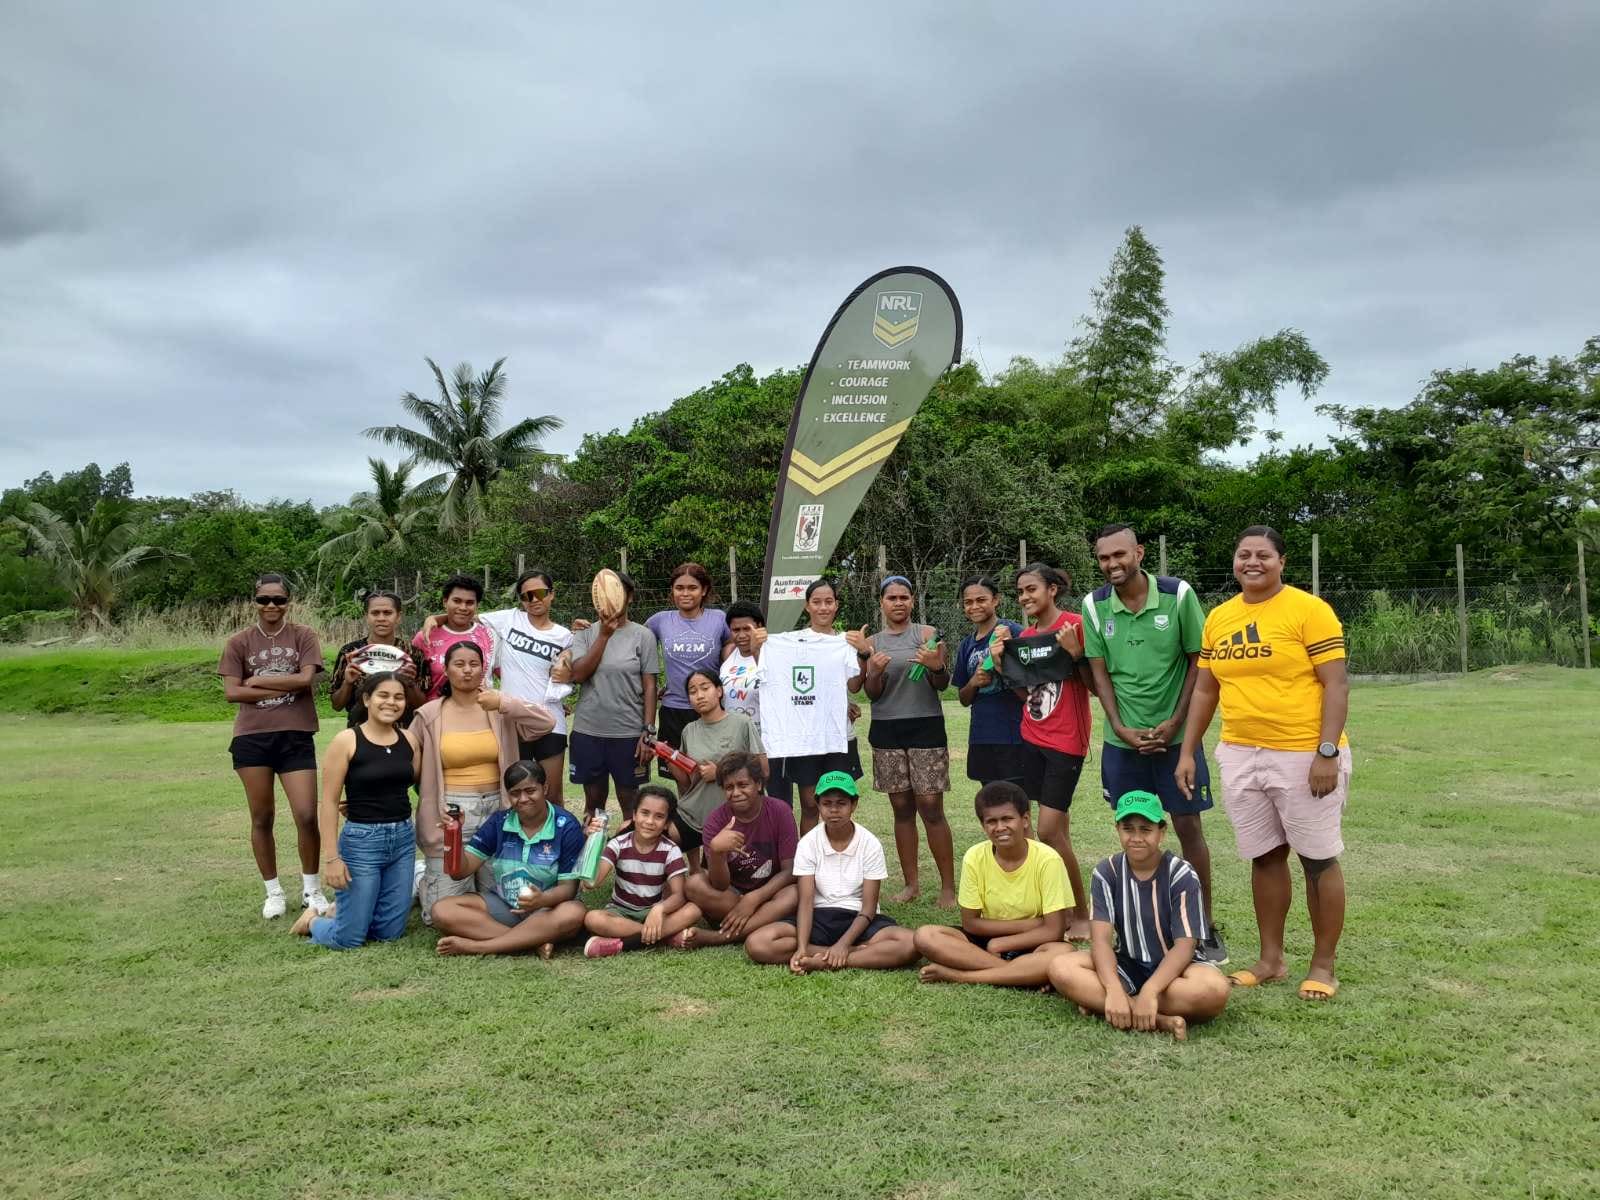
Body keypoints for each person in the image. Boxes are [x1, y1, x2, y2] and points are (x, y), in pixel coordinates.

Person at [1176, 526, 1352, 1002]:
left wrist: (1327, 752)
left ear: (1281, 562)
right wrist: (1188, 750)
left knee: (1317, 859)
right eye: (1243, 555)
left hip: (1302, 753)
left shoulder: (1308, 611)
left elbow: (1335, 685)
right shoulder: (1220, 617)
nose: (1252, 563)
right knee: (1265, 855)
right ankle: (1271, 959)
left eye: (1263, 555)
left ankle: (1322, 965)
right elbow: (1207, 689)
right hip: (1241, 752)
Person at [1081, 525, 1227, 966]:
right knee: (1134, 830)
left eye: (1120, 555)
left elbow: (1196, 662)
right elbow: (1099, 672)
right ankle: (1135, 927)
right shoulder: (1093, 604)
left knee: (1187, 829)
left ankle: (1201, 927)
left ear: (1139, 553)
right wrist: (1120, 725)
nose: (1112, 564)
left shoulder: (1178, 595)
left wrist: (1176, 721)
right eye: (1104, 558)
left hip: (1176, 738)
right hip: (1122, 742)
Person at [1046, 791, 1231, 1041]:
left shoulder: (1181, 874)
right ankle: (1155, 1018)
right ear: (1118, 830)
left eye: (1145, 829)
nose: (1136, 838)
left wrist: (1152, 990)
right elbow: (1100, 941)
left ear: (1161, 832)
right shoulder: (1107, 871)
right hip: (1127, 964)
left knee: (1214, 990)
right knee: (1061, 967)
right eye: (1128, 829)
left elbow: (1185, 947)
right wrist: (1112, 987)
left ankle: (1115, 1004)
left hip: (1177, 969)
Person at [412, 640, 556, 923]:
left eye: (474, 664)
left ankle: (461, 880)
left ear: (483, 669)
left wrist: (505, 702)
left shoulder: (497, 708)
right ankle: (424, 878)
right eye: (459, 664)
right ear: (446, 669)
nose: (467, 671)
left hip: (498, 810)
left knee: (503, 905)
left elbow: (546, 723)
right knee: (439, 916)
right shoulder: (430, 715)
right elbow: (404, 758)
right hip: (451, 813)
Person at [988, 562, 1093, 940]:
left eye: (1031, 589)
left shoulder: (1075, 624)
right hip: (1030, 737)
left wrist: (1077, 653)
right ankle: (1055, 914)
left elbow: (1096, 684)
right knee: (1046, 831)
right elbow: (1027, 693)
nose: (1025, 597)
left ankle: (1081, 914)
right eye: (1020, 592)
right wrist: (1002, 665)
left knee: (1049, 831)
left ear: (1052, 589)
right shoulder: (1028, 637)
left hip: (1066, 742)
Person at [218, 572, 328, 919]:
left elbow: (306, 679)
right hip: (252, 738)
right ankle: (274, 891)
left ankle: (312, 889)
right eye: (264, 599)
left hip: (295, 735)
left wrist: (259, 682)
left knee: (307, 815)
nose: (271, 605)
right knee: (262, 816)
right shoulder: (239, 641)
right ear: (254, 601)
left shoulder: (304, 636)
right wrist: (288, 685)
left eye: (278, 599)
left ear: (288, 602)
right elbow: (233, 692)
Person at [846, 575, 956, 907]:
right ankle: (911, 884)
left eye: (904, 597)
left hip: (926, 727)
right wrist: (873, 669)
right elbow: (872, 695)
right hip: (887, 730)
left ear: (912, 601)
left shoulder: (927, 634)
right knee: (902, 808)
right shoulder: (872, 643)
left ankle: (948, 887)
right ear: (881, 603)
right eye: (891, 597)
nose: (898, 603)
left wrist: (937, 668)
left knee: (931, 806)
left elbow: (941, 683)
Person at [292, 672, 420, 948]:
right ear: (366, 699)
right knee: (348, 939)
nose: (391, 703)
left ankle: (345, 912)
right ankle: (313, 920)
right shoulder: (347, 740)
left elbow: (412, 782)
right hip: (362, 842)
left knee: (388, 933)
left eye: (398, 697)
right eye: (383, 696)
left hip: (402, 840)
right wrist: (332, 859)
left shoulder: (409, 740)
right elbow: (328, 802)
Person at [745, 771, 918, 972]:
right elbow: (806, 901)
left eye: (841, 803)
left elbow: (868, 908)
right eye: (827, 804)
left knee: (910, 942)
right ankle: (846, 954)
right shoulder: (809, 843)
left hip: (857, 918)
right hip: (818, 917)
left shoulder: (870, 843)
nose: (834, 810)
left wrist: (843, 945)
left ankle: (828, 959)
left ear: (854, 805)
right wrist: (801, 947)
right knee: (757, 943)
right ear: (817, 805)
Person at [425, 568, 573, 804]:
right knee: (515, 791)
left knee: (552, 794)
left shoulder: (564, 635)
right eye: (526, 596)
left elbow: (575, 663)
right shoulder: (509, 618)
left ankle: (557, 840)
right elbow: (465, 616)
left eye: (540, 593)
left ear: (552, 594)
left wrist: (575, 644)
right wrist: (436, 619)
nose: (534, 600)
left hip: (548, 719)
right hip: (510, 718)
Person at [912, 782, 1074, 987]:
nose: (1000, 828)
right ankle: (1024, 975)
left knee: (1062, 953)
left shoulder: (1047, 859)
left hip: (1034, 940)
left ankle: (960, 976)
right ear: (983, 825)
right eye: (991, 821)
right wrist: (1031, 923)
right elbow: (970, 923)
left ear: (1025, 820)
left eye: (1007, 819)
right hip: (986, 940)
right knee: (926, 936)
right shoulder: (974, 856)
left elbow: (1053, 931)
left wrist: (1003, 942)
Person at [431, 760, 588, 957]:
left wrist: (542, 899)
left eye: (530, 791)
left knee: (574, 912)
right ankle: (532, 941)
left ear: (545, 788)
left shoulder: (566, 826)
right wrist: (454, 835)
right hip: (505, 904)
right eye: (515, 793)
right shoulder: (499, 822)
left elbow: (568, 888)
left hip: (548, 908)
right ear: (508, 795)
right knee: (442, 910)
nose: (523, 799)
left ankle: (478, 947)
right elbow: (459, 872)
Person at [759, 578, 863, 830]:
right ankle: (807, 864)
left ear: (836, 605)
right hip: (803, 738)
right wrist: (757, 646)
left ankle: (839, 859)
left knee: (839, 802)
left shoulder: (845, 643)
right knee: (809, 804)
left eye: (829, 602)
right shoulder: (785, 643)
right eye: (817, 602)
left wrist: (863, 652)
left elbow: (854, 686)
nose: (823, 607)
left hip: (838, 737)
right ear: (807, 606)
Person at [559, 571, 658, 823]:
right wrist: (603, 634)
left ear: (630, 597)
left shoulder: (642, 635)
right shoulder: (585, 632)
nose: (611, 600)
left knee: (630, 805)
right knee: (593, 805)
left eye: (618, 593)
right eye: (604, 595)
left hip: (628, 735)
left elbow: (650, 686)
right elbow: (579, 674)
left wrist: (648, 732)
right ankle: (592, 860)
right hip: (589, 732)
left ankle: (628, 860)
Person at [683, 753, 799, 947]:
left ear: (759, 785)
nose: (735, 793)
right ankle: (762, 921)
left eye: (743, 785)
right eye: (729, 787)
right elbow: (719, 885)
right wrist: (718, 852)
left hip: (771, 893)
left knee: (795, 892)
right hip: (732, 897)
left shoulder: (780, 811)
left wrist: (755, 898)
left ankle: (719, 937)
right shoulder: (716, 821)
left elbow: (790, 870)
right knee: (694, 884)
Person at [580, 784, 702, 957]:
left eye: (659, 816)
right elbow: (590, 882)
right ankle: (663, 937)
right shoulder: (619, 844)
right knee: (593, 918)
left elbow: (679, 895)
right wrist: (594, 841)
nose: (650, 821)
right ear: (634, 816)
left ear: (667, 823)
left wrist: (658, 910)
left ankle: (624, 944)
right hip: (620, 912)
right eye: (645, 813)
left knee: (694, 909)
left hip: (654, 912)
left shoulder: (671, 850)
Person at [667, 669, 765, 867]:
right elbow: (688, 783)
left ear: (719, 691)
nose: (700, 695)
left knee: (717, 878)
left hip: (734, 817)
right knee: (656, 837)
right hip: (694, 814)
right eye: (693, 691)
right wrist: (671, 761)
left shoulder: (741, 723)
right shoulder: (689, 730)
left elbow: (763, 769)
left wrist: (719, 772)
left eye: (705, 688)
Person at [645, 562, 731, 773]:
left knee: (713, 772)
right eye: (679, 588)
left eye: (692, 588)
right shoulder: (660, 621)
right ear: (672, 591)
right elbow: (631, 640)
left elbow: (735, 649)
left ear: (704, 590)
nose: (685, 593)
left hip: (712, 710)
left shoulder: (720, 619)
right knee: (681, 775)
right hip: (674, 710)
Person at [951, 575, 1025, 788]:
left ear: (996, 600)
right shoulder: (967, 645)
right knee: (990, 798)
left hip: (1014, 734)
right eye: (968, 602)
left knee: (1016, 800)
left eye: (981, 600)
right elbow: (964, 699)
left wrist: (1005, 661)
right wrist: (973, 682)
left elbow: (1032, 682)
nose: (974, 606)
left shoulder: (1011, 632)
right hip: (982, 736)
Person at [721, 598, 793, 808]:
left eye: (747, 628)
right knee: (744, 796)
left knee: (777, 797)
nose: (742, 635)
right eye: (736, 630)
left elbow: (778, 688)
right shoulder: (728, 654)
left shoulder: (776, 652)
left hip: (769, 739)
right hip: (737, 738)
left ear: (760, 627)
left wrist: (755, 651)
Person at [329, 590, 428, 728]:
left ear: (398, 616)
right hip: (360, 731)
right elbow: (336, 705)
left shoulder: (413, 654)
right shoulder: (351, 653)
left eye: (387, 613)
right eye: (375, 613)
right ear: (366, 616)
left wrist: (410, 683)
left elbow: (423, 706)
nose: (381, 618)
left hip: (404, 732)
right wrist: (347, 682)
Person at [412, 574, 496, 702]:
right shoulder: (426, 636)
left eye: (469, 603)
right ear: (445, 602)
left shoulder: (489, 635)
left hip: (479, 713)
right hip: (436, 714)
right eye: (457, 601)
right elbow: (413, 682)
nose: (463, 607)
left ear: (477, 605)